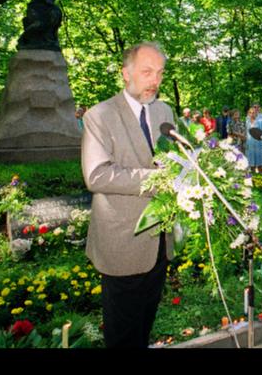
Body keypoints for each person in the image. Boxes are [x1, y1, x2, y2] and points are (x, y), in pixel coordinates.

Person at [81, 41, 175, 348]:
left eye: (160, 73)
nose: (155, 80)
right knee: (122, 337)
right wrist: (157, 179)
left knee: (144, 328)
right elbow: (97, 174)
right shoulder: (100, 115)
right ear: (126, 73)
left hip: (160, 240)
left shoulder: (164, 111)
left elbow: (175, 159)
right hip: (123, 242)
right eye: (147, 72)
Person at [245, 106, 262, 174]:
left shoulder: (260, 121)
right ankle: (253, 174)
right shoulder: (247, 121)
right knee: (251, 160)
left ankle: (261, 174)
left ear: (256, 113)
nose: (252, 114)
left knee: (259, 160)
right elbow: (245, 132)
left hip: (259, 143)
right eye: (250, 112)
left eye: (253, 112)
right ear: (248, 113)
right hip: (250, 143)